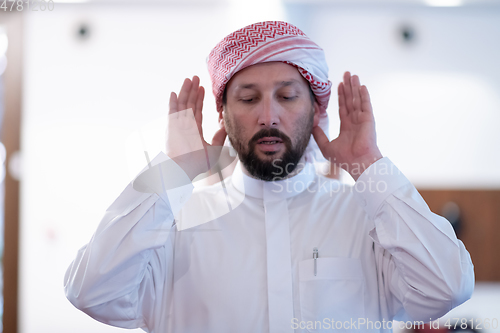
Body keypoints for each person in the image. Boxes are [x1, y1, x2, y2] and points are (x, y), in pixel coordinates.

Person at [64, 21, 474, 333]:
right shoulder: (174, 224)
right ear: (223, 113)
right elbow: (91, 293)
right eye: (248, 98)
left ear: (316, 110)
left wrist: (369, 167)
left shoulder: (367, 219)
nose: (268, 116)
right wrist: (171, 174)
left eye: (287, 96)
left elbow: (447, 289)